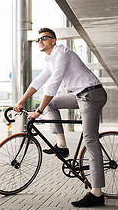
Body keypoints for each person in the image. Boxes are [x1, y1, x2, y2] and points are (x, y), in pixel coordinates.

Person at [13, 28, 107, 207]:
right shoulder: (50, 60)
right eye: (38, 40)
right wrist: (21, 101)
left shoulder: (62, 54)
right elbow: (38, 82)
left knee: (90, 139)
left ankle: (97, 193)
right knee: (52, 103)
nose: (40, 41)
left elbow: (53, 84)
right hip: (80, 96)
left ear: (53, 41)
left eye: (43, 38)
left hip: (92, 94)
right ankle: (62, 145)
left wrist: (38, 111)